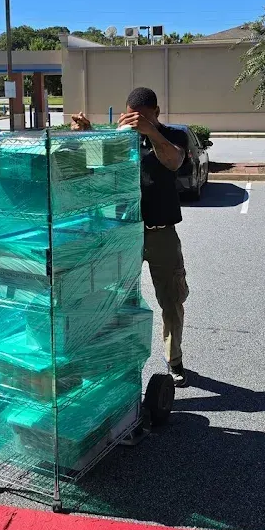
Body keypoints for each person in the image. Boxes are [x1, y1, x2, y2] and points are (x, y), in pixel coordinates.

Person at [71, 86, 190, 386]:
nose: (135, 123)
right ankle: (120, 360)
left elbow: (174, 161)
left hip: (161, 235)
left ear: (156, 113)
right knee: (117, 299)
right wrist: (87, 133)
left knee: (172, 300)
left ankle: (174, 360)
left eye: (142, 118)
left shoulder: (173, 136)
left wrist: (152, 132)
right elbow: (94, 164)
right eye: (130, 117)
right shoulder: (121, 139)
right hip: (124, 233)